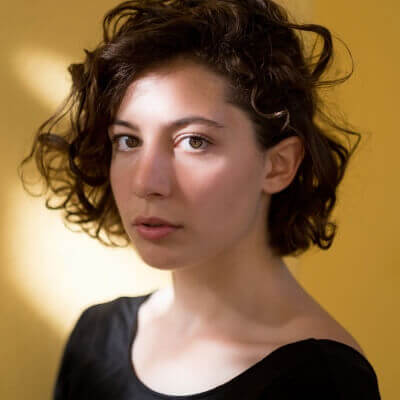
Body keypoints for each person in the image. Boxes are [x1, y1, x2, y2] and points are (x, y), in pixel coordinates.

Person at [19, 0, 382, 398]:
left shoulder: (325, 380)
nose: (147, 182)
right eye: (128, 140)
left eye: (194, 141)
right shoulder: (95, 338)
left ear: (278, 165)